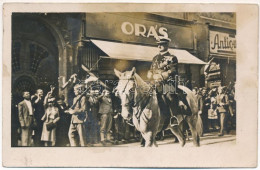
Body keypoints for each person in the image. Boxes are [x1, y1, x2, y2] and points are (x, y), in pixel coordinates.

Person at [147, 36, 191, 126]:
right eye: (158, 45)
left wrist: (162, 75)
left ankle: (173, 117)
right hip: (156, 83)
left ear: (166, 45)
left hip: (168, 83)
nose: (159, 46)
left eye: (161, 45)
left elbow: (173, 70)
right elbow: (151, 69)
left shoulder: (172, 58)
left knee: (170, 96)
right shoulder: (155, 58)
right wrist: (150, 74)